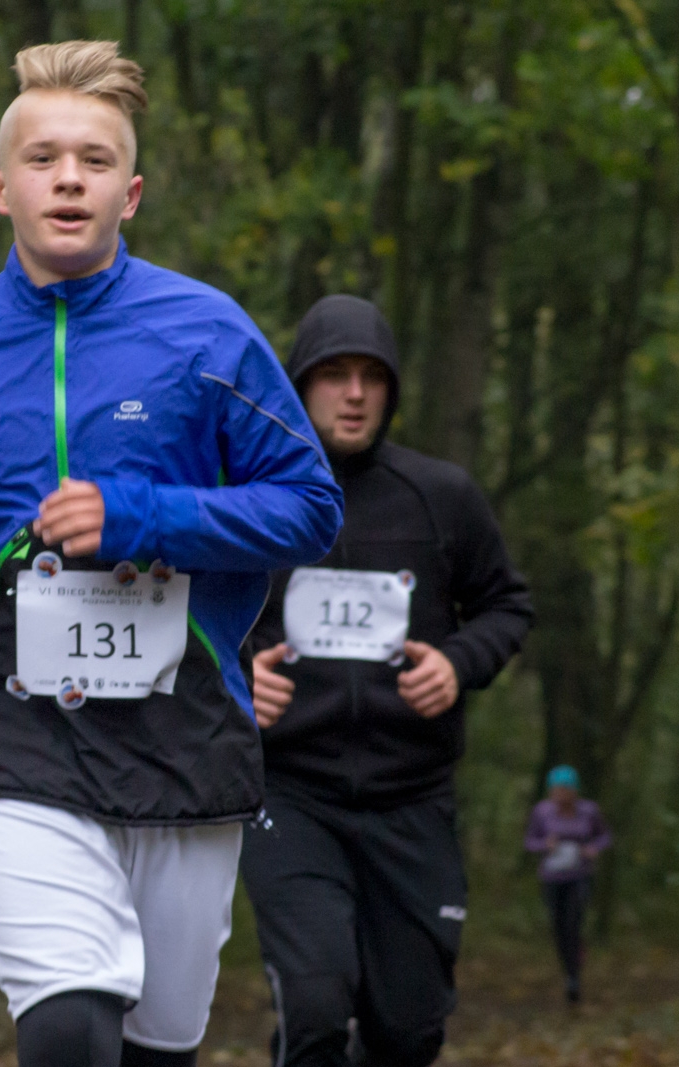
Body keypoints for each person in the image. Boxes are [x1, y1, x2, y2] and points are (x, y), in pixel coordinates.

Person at [0, 41, 343, 1067]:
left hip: (183, 729)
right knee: (69, 1020)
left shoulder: (207, 334)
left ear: (132, 190)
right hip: (8, 729)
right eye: (42, 157)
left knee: (157, 1045)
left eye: (95, 159)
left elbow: (308, 509)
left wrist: (140, 516)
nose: (68, 177)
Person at [240, 295, 534, 1067]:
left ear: (393, 389)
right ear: (299, 386)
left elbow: (508, 604)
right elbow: (183, 620)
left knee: (408, 1030)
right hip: (291, 794)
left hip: (413, 799)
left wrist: (459, 661)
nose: (355, 392)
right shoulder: (252, 499)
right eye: (333, 374)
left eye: (372, 376)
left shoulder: (441, 497)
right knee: (314, 1004)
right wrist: (239, 681)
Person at [524, 765, 611, 1004]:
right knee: (558, 925)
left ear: (574, 791)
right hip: (552, 878)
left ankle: (574, 975)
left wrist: (593, 849)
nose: (560, 795)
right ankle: (569, 966)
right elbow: (530, 842)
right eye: (556, 790)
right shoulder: (542, 813)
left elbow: (604, 836)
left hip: (580, 875)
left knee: (574, 920)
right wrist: (545, 845)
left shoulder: (589, 811)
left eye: (565, 790)